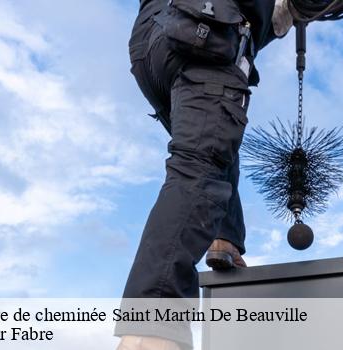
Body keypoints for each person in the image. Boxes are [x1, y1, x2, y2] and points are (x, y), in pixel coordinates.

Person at [115, 1, 293, 349]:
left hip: (151, 48)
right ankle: (151, 332)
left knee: (214, 140)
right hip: (204, 32)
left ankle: (224, 238)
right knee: (200, 166)